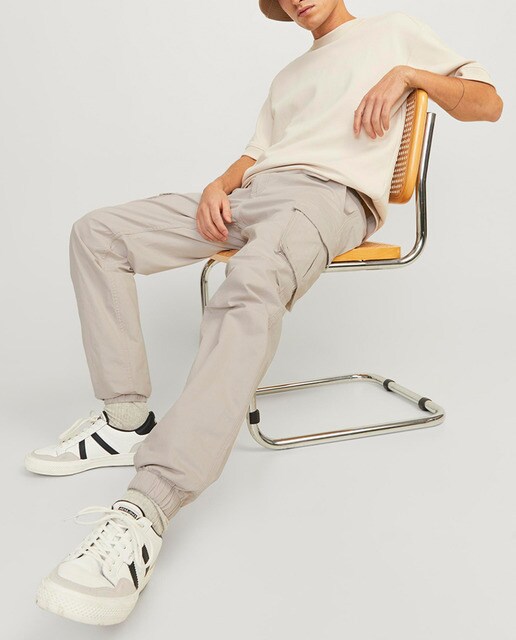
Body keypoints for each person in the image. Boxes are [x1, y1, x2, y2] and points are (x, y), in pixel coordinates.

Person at [28, 0, 502, 626]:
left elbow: (488, 103)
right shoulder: (289, 76)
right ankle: (125, 420)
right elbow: (253, 157)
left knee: (250, 283)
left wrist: (410, 76)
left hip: (329, 198)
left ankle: (150, 503)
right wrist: (217, 186)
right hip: (256, 194)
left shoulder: (394, 33)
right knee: (98, 234)